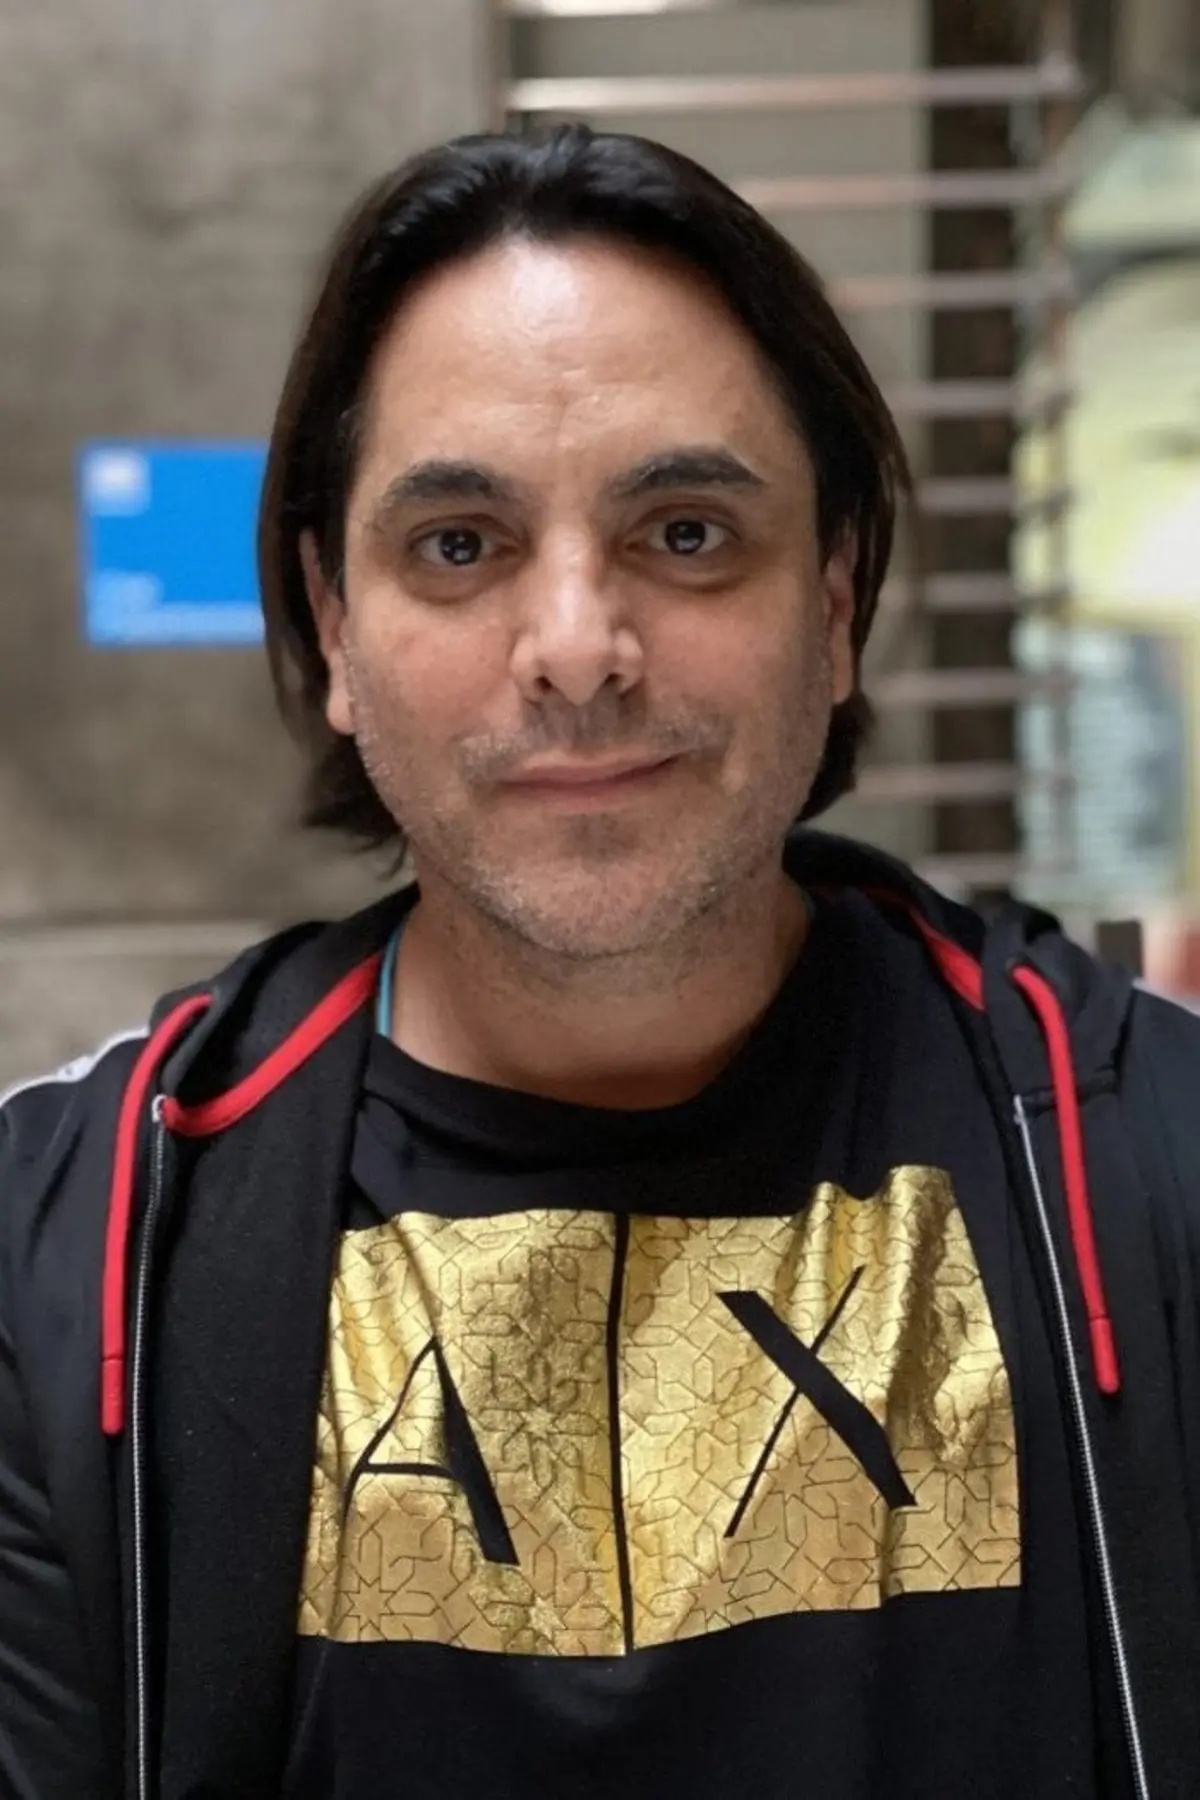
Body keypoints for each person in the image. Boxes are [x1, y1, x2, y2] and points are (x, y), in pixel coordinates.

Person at [1, 125, 1198, 1800]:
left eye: (687, 534)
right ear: (335, 626)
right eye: (461, 545)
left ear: (836, 599)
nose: (577, 649)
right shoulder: (71, 1252)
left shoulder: (1152, 1158)